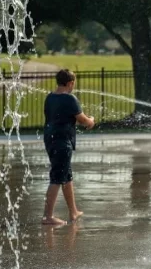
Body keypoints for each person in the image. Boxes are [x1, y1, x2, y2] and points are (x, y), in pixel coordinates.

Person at [42, 69, 94, 225]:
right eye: (74, 84)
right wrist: (91, 120)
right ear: (70, 83)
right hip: (62, 142)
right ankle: (47, 216)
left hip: (50, 139)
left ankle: (73, 211)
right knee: (57, 178)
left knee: (66, 176)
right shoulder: (70, 99)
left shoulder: (50, 98)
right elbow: (82, 120)